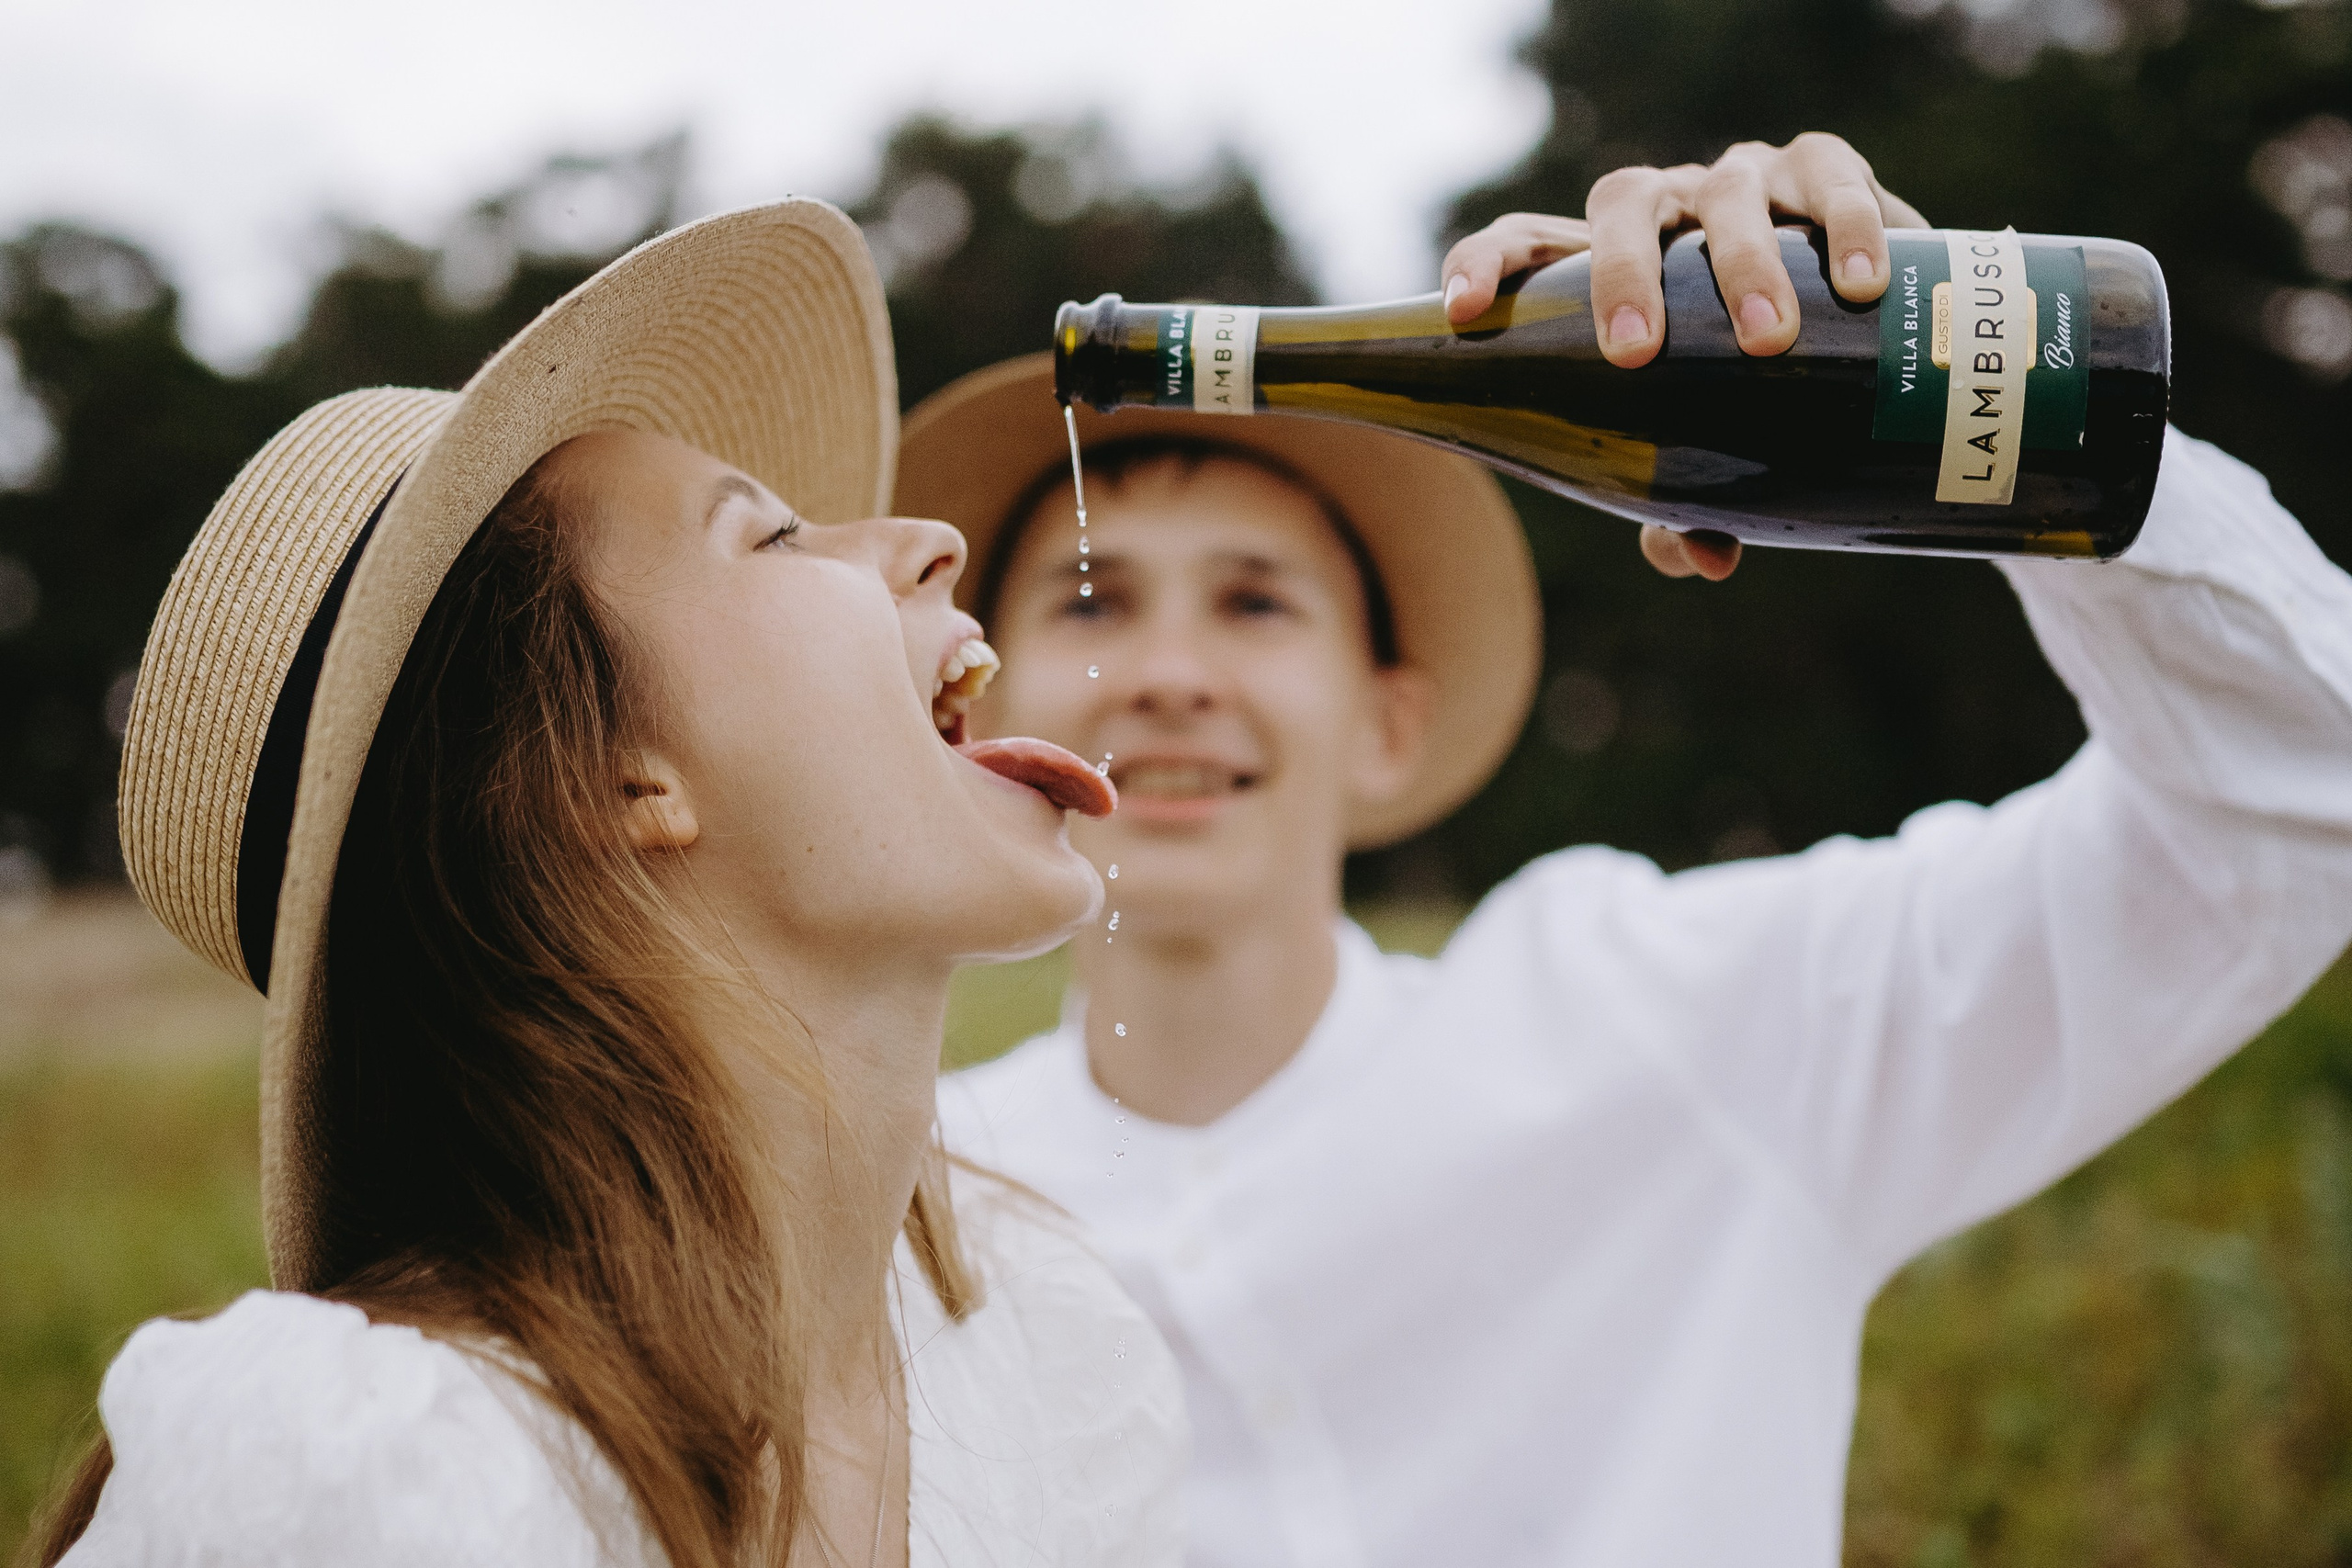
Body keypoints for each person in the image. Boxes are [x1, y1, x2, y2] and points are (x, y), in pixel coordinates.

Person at [907, 134, 2352, 1567]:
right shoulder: (905, 1212)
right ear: (983, 710)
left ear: (1388, 727)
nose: (1169, 673)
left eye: (1255, 604)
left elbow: (2301, 798)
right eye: (1095, 605)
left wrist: (1991, 383)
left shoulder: (1683, 1022)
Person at [34, 200, 1184, 1568]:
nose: (933, 538)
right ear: (609, 781)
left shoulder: (1051, 1349)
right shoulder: (370, 1487)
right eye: (769, 537)